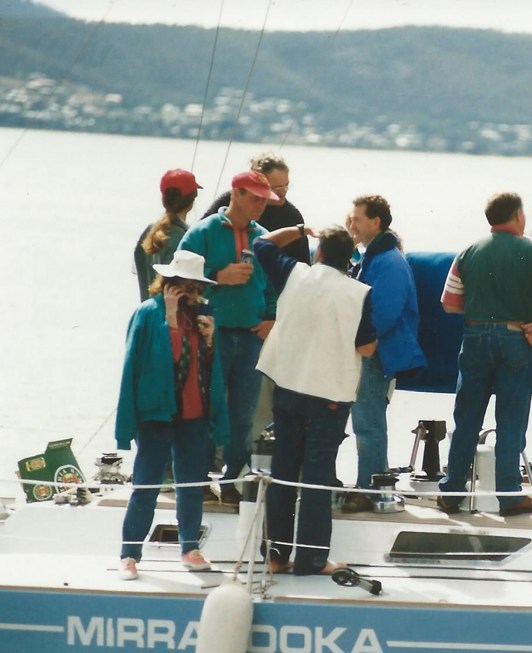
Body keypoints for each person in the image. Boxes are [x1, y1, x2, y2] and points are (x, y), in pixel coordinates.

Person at [437, 192, 532, 517]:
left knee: (466, 418)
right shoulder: (531, 250)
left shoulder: (469, 252)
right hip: (515, 339)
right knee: (511, 420)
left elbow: (449, 303)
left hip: (474, 338)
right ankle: (509, 496)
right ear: (517, 216)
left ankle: (452, 492)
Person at [253, 223, 377, 575]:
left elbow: (261, 243)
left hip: (288, 386)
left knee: (283, 473)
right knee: (317, 478)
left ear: (318, 252)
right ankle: (311, 559)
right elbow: (366, 347)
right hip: (329, 396)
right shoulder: (359, 292)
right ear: (347, 258)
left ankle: (275, 556)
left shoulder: (295, 274)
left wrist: (296, 230)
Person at [115, 251, 229, 580]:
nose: (194, 294)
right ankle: (129, 554)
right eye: (188, 288)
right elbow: (142, 364)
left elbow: (207, 369)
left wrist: (208, 341)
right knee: (146, 485)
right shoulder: (148, 314)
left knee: (192, 485)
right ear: (170, 285)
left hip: (193, 413)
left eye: (196, 288)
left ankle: (190, 548)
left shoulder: (201, 317)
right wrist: (171, 319)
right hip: (156, 414)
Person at [178, 170, 278, 504]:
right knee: (205, 408)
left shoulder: (264, 238)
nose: (261, 206)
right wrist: (218, 277)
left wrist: (271, 318)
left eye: (266, 200)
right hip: (211, 336)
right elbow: (178, 279)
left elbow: (275, 285)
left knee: (244, 413)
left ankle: (233, 480)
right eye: (255, 198)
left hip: (250, 337)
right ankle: (201, 479)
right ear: (236, 193)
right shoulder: (201, 233)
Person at [341, 194, 426, 512]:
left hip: (376, 353)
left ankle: (370, 488)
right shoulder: (374, 257)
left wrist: (361, 340)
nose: (352, 224)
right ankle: (372, 482)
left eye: (357, 219)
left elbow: (385, 311)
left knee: (368, 422)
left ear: (376, 222)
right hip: (372, 350)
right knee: (367, 421)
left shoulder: (388, 261)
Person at [202, 152, 309, 263]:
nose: (283, 193)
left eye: (286, 186)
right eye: (276, 189)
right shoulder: (231, 200)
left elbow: (302, 262)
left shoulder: (291, 216)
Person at [134, 169, 202, 301]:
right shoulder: (186, 238)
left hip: (148, 313)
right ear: (192, 200)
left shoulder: (149, 231)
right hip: (171, 316)